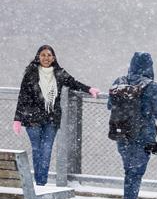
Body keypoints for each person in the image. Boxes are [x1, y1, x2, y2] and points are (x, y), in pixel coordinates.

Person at [13, 44, 100, 186]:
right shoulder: (31, 73)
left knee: (46, 151)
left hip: (51, 119)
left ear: (53, 57)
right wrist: (17, 119)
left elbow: (74, 83)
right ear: (38, 57)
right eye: (43, 55)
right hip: (32, 119)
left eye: (49, 55)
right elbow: (23, 96)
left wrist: (89, 89)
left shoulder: (59, 73)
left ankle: (41, 182)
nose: (46, 58)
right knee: (37, 150)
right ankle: (40, 182)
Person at [108, 51, 157, 199]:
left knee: (129, 172)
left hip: (122, 134)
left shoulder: (119, 82)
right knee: (134, 176)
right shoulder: (152, 86)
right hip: (143, 138)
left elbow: (110, 105)